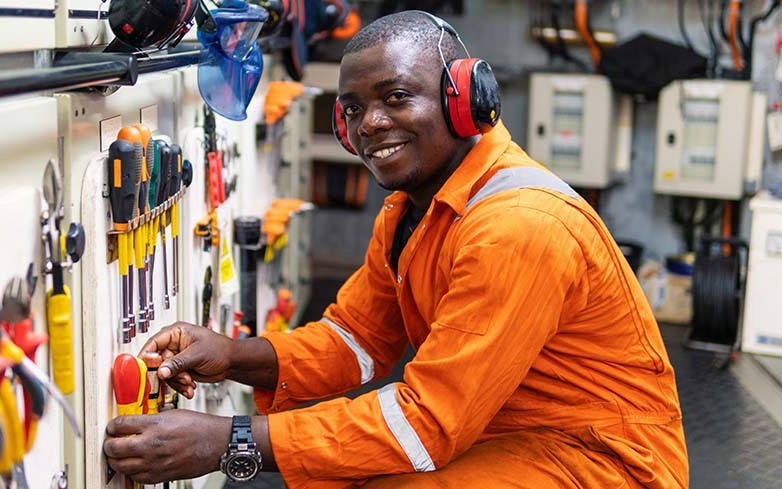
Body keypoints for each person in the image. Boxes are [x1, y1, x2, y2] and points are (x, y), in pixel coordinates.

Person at [104, 10, 689, 488]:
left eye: (397, 97)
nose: (370, 125)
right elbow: (355, 340)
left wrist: (228, 441)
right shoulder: (412, 210)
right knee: (337, 466)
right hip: (511, 435)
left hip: (608, 464)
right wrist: (234, 356)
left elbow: (427, 422)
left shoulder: (518, 225)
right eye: (353, 109)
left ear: (466, 102)